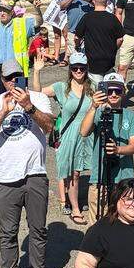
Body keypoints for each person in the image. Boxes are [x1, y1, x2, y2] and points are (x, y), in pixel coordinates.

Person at [0, 58, 55, 268]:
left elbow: (50, 126)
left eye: (17, 76)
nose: (14, 81)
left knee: (38, 230)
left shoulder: (38, 99)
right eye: (9, 78)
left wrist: (28, 106)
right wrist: (4, 111)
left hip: (35, 174)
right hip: (5, 178)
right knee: (8, 232)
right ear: (2, 80)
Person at [79, 72, 134, 218]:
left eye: (117, 91)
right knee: (96, 221)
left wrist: (117, 149)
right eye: (109, 90)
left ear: (123, 92)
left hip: (124, 179)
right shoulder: (98, 113)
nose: (113, 94)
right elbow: (83, 131)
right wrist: (93, 107)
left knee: (124, 220)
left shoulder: (131, 116)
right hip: (99, 178)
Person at [43, 49, 94, 223]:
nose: (78, 71)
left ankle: (87, 201)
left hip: (89, 135)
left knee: (89, 170)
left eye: (82, 68)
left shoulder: (93, 86)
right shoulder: (61, 87)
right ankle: (75, 208)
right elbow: (37, 93)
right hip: (70, 136)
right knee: (73, 173)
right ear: (70, 69)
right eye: (75, 68)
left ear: (86, 68)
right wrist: (36, 72)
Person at [76, 0, 124, 80]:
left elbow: (77, 37)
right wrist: (114, 48)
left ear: (94, 1)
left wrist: (77, 45)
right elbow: (120, 39)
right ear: (106, 3)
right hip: (109, 59)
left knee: (96, 91)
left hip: (93, 61)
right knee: (109, 88)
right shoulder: (113, 18)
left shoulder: (87, 17)